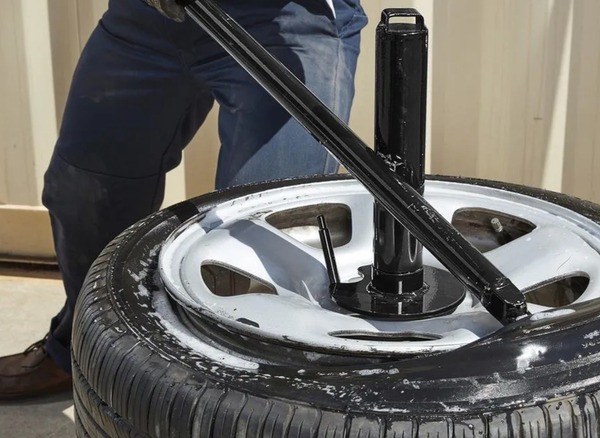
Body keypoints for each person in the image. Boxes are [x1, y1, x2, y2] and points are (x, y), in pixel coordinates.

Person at [0, 0, 366, 399]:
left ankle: (246, 394)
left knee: (260, 231)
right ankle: (84, 347)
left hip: (285, 22)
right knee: (82, 191)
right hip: (146, 17)